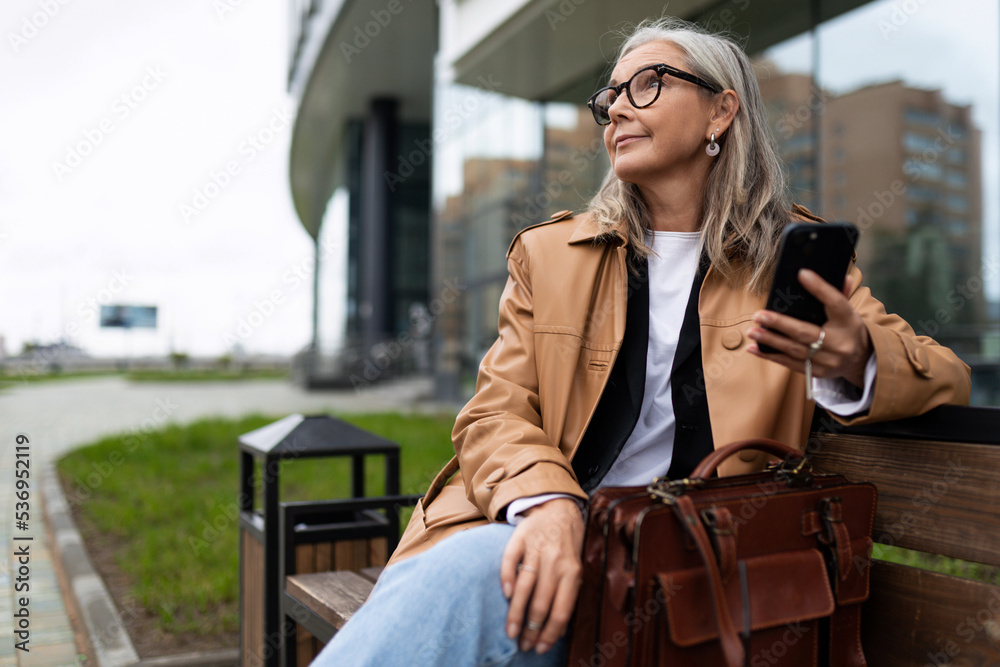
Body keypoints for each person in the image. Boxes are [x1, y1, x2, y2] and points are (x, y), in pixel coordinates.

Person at [311, 16, 970, 667]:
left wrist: (855, 358)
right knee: (471, 575)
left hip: (690, 573)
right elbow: (494, 411)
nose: (618, 109)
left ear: (721, 111)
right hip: (558, 538)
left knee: (466, 585)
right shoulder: (549, 256)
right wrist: (548, 504)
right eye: (611, 96)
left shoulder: (789, 259)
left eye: (648, 84)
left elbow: (944, 373)